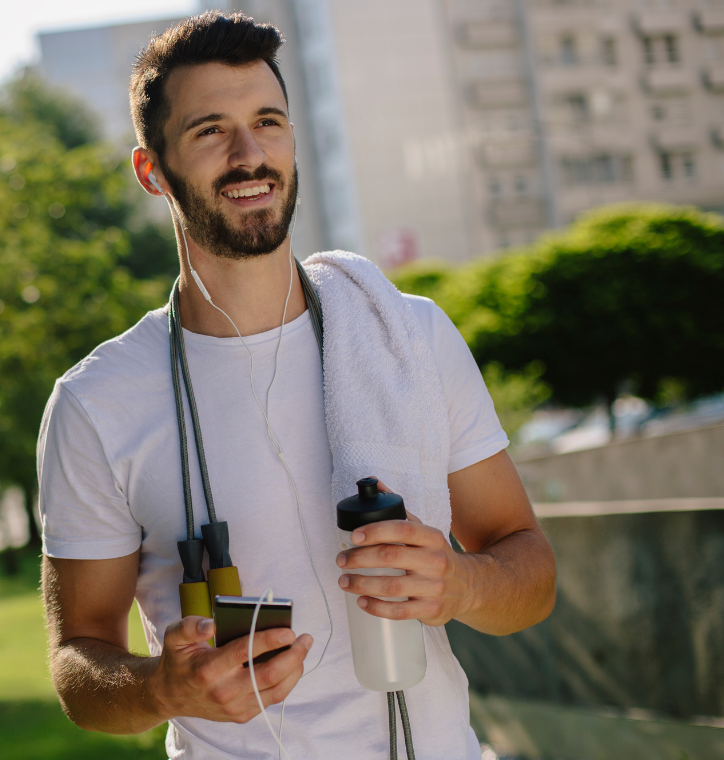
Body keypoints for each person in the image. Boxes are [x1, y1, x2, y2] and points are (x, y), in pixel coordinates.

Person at [36, 11, 556, 759]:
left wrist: (464, 585)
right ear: (153, 171)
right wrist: (162, 689)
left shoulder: (408, 336)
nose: (250, 155)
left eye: (268, 122)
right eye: (210, 130)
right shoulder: (95, 405)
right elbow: (76, 662)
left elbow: (529, 570)